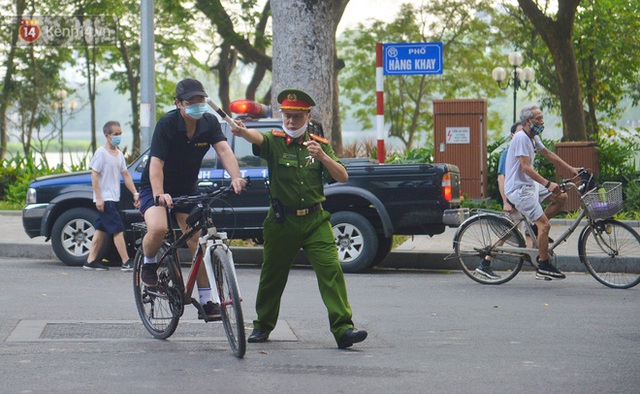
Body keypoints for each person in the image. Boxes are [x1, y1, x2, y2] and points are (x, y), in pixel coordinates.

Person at [231, 88, 367, 350]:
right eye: (286, 116)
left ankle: (343, 329)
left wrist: (323, 157)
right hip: (283, 222)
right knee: (273, 275)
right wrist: (242, 130)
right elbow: (255, 136)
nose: (290, 121)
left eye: (295, 117)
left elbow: (342, 177)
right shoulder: (274, 141)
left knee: (331, 270)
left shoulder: (320, 146)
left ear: (308, 116)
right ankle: (263, 325)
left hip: (315, 221)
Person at [137, 78, 246, 320]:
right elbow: (156, 164)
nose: (198, 105)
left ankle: (208, 301)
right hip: (156, 185)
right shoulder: (167, 124)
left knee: (198, 242)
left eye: (201, 100)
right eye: (191, 102)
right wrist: (158, 194)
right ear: (178, 104)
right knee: (158, 228)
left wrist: (236, 177)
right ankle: (149, 262)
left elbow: (224, 150)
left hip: (186, 187)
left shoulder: (208, 122)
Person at [504, 105, 580, 280]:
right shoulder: (522, 138)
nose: (542, 122)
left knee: (561, 197)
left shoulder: (532, 137)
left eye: (542, 118)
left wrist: (571, 169)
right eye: (538, 118)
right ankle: (543, 265)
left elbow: (548, 153)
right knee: (545, 225)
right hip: (519, 189)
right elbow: (525, 167)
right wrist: (548, 184)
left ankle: (535, 229)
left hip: (530, 186)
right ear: (528, 121)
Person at [476, 121, 531, 279]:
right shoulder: (508, 153)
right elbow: (501, 178)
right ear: (512, 135)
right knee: (505, 233)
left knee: (522, 230)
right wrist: (506, 202)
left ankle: (537, 260)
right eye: (519, 133)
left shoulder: (522, 152)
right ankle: (485, 262)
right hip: (513, 202)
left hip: (522, 200)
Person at [84, 121, 140, 271]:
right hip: (105, 199)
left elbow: (126, 175)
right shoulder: (101, 153)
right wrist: (99, 197)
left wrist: (135, 193)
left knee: (100, 230)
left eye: (120, 134)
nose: (118, 137)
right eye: (116, 134)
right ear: (107, 136)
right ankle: (126, 261)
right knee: (118, 230)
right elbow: (94, 175)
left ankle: (90, 261)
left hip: (114, 198)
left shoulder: (119, 154)